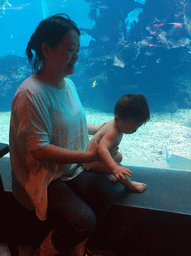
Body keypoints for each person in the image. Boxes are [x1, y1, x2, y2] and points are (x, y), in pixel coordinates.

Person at [9, 14, 131, 256]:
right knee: (84, 220)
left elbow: (75, 123)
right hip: (40, 174)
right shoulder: (30, 94)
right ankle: (41, 252)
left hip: (65, 168)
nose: (77, 56)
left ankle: (74, 248)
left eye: (77, 50)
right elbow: (39, 149)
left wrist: (104, 128)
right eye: (70, 50)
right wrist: (87, 156)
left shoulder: (68, 84)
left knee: (106, 192)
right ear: (46, 49)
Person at [84, 94, 150, 193]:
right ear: (117, 119)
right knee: (120, 168)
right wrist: (114, 168)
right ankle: (130, 185)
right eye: (133, 127)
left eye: (137, 128)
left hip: (99, 157)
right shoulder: (113, 131)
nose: (135, 130)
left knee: (119, 157)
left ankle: (107, 174)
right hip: (91, 162)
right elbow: (102, 149)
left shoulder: (118, 124)